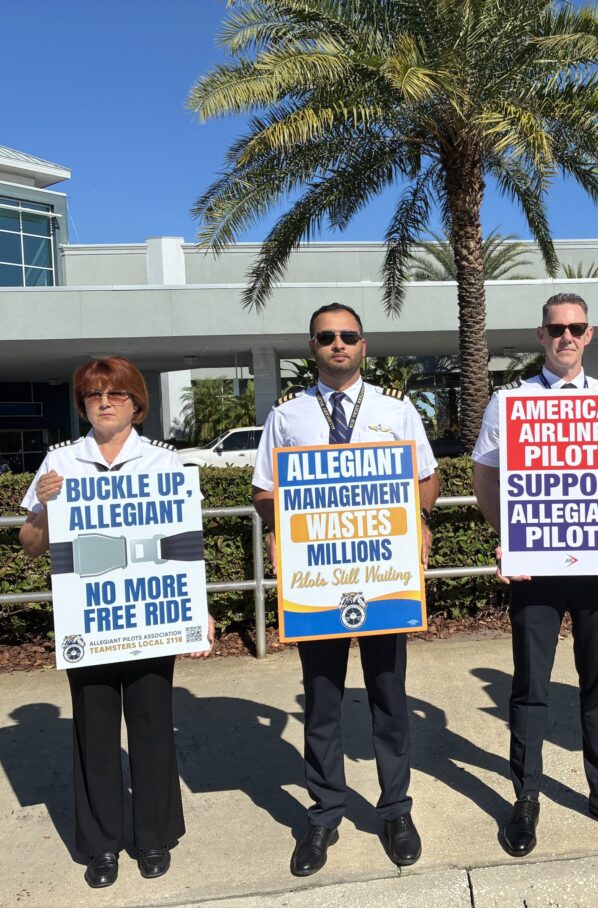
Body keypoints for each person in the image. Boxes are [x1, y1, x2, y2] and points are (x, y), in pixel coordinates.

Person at [251, 303, 439, 877]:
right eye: (326, 336)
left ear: (364, 344)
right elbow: (263, 491)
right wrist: (288, 528)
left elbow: (427, 479)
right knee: (323, 703)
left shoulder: (396, 410)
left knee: (389, 700)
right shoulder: (287, 417)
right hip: (319, 582)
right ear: (312, 346)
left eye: (348, 336)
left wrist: (417, 524)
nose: (338, 344)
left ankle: (396, 810)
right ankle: (326, 811)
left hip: (382, 577)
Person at [471, 292, 598, 857]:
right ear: (541, 335)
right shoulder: (510, 403)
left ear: (589, 333)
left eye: (575, 327)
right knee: (530, 687)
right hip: (537, 571)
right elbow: (484, 473)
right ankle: (525, 797)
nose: (566, 337)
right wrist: (511, 536)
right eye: (556, 328)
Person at [19, 357, 214, 889]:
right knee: (95, 733)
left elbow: (185, 546)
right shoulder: (59, 463)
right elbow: (31, 547)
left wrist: (199, 610)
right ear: (82, 405)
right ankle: (101, 845)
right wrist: (40, 505)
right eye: (93, 396)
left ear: (137, 403)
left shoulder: (165, 462)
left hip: (151, 616)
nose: (104, 403)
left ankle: (154, 836)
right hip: (91, 620)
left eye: (116, 394)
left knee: (153, 728)